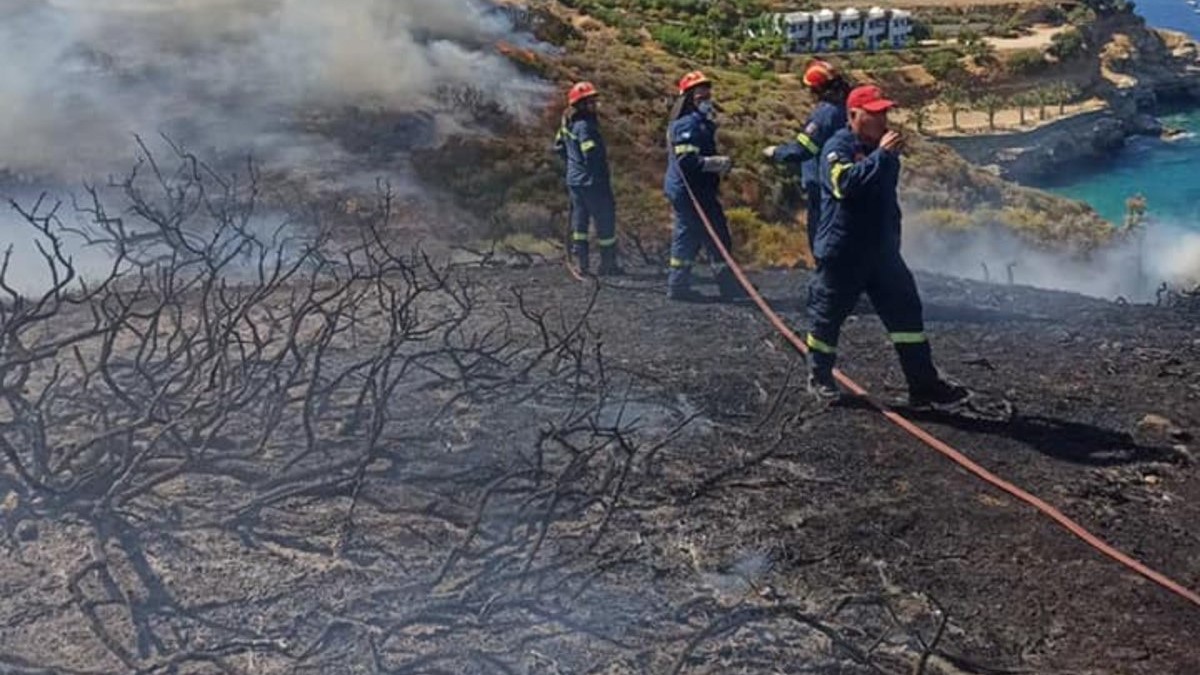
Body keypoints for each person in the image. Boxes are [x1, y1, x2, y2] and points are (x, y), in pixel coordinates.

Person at [806, 84, 969, 407]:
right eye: (875, 113)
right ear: (854, 115)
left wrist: (883, 156)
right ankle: (820, 377)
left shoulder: (885, 151)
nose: (883, 119)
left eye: (885, 112)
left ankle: (923, 385)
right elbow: (845, 185)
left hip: (881, 253)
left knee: (907, 314)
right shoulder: (837, 147)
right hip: (844, 251)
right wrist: (881, 155)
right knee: (827, 315)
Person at [663, 70, 746, 302]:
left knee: (712, 234)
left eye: (707, 96)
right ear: (689, 99)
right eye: (701, 97)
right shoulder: (686, 125)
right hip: (689, 192)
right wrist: (715, 164)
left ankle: (717, 286)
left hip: (699, 191)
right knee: (694, 235)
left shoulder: (700, 123)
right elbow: (687, 161)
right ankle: (681, 286)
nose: (706, 101)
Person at [762, 60, 850, 249]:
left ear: (816, 89)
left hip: (822, 184)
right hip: (843, 182)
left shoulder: (824, 114)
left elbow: (803, 149)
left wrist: (776, 152)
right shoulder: (847, 107)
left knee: (821, 236)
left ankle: (825, 275)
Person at [554, 81, 622, 276]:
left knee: (580, 222)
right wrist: (598, 175)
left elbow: (559, 147)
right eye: (590, 102)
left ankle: (582, 265)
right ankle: (608, 264)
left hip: (575, 182)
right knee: (605, 221)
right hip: (592, 182)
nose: (594, 106)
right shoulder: (585, 126)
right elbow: (590, 154)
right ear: (581, 105)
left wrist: (572, 165)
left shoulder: (567, 124)